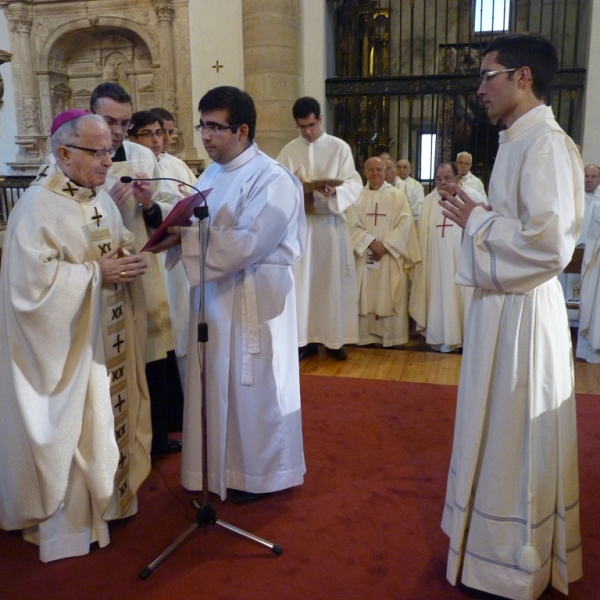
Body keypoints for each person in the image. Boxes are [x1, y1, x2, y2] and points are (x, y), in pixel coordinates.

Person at [439, 33, 582, 599]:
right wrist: (487, 219)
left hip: (524, 317)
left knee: (514, 437)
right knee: (492, 426)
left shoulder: (546, 144)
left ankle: (511, 563)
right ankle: (485, 548)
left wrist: (479, 222)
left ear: (522, 76)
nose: (479, 89)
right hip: (502, 309)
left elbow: (551, 247)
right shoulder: (518, 140)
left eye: (487, 76)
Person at [0, 110, 151, 562]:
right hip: (66, 353)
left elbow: (113, 241)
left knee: (105, 422)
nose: (109, 161)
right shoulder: (37, 207)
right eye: (98, 151)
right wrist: (94, 274)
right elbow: (30, 291)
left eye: (111, 149)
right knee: (78, 428)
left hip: (106, 343)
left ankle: (111, 503)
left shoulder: (98, 197)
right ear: (64, 152)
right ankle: (69, 528)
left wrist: (126, 259)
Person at [152, 86, 307, 504]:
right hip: (215, 296)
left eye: (215, 127)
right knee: (214, 383)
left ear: (242, 129)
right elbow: (198, 220)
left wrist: (184, 240)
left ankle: (258, 474)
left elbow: (250, 242)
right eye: (202, 125)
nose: (206, 136)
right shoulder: (213, 173)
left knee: (251, 388)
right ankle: (217, 467)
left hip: (254, 298)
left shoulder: (273, 179)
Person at [90, 83, 183, 456]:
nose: (117, 131)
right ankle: (114, 445)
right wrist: (104, 203)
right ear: (92, 114)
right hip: (105, 274)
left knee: (155, 355)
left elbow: (166, 208)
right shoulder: (82, 155)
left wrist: (148, 206)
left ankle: (157, 437)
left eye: (125, 123)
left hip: (144, 267)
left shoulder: (143, 155)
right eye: (109, 121)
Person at [277, 96, 363, 360]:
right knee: (303, 285)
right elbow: (277, 183)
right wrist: (296, 185)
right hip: (302, 227)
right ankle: (305, 341)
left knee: (330, 284)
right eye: (302, 127)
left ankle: (334, 340)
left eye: (311, 125)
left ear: (320, 119)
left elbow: (354, 183)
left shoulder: (339, 148)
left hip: (328, 226)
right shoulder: (290, 150)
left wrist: (335, 190)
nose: (307, 131)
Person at [409, 162, 485, 352]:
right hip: (435, 263)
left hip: (463, 263)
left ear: (457, 178)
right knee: (438, 297)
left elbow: (481, 232)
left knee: (461, 299)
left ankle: (465, 338)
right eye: (439, 179)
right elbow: (422, 236)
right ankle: (439, 337)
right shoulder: (428, 201)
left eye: (447, 178)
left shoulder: (472, 198)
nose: (442, 182)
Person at [150, 107, 199, 387]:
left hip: (178, 255)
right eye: (157, 133)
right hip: (156, 256)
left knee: (181, 319)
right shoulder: (138, 164)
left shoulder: (178, 165)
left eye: (167, 132)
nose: (164, 139)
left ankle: (185, 388)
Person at [347, 157, 420, 346]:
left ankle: (391, 337)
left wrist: (386, 244)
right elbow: (350, 226)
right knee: (365, 294)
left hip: (389, 256)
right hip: (365, 255)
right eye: (370, 169)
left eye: (379, 169)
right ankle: (365, 337)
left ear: (386, 171)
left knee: (390, 291)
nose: (375, 173)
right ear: (364, 172)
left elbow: (405, 224)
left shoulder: (397, 196)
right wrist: (371, 242)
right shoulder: (356, 197)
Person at [395, 158, 425, 225]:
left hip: (411, 220)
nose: (401, 170)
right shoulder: (391, 183)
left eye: (405, 167)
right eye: (399, 167)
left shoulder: (416, 185)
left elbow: (420, 204)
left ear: (410, 170)